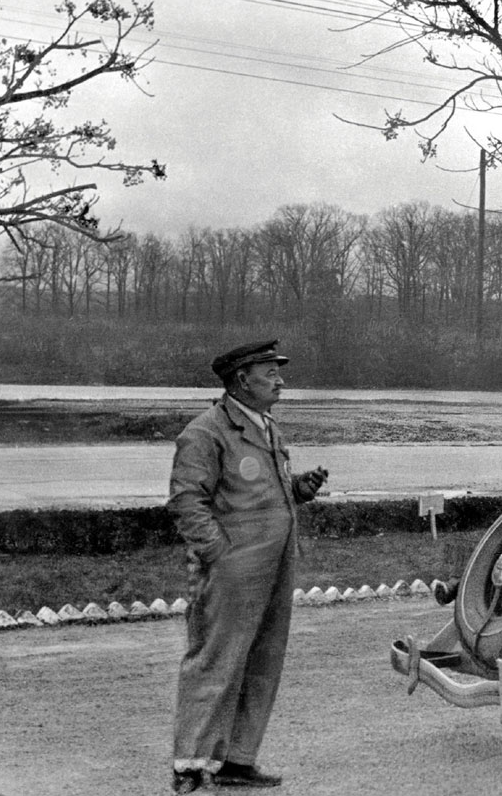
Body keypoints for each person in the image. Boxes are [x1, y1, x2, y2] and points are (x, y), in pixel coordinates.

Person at [168, 340, 328, 793]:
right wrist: (217, 554)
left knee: (263, 661)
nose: (280, 380)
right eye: (270, 372)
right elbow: (186, 501)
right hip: (231, 571)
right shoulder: (206, 432)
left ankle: (237, 760)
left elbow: (255, 492)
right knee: (216, 660)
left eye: (278, 372)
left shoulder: (268, 428)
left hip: (274, 567)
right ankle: (191, 765)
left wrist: (298, 489)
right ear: (242, 379)